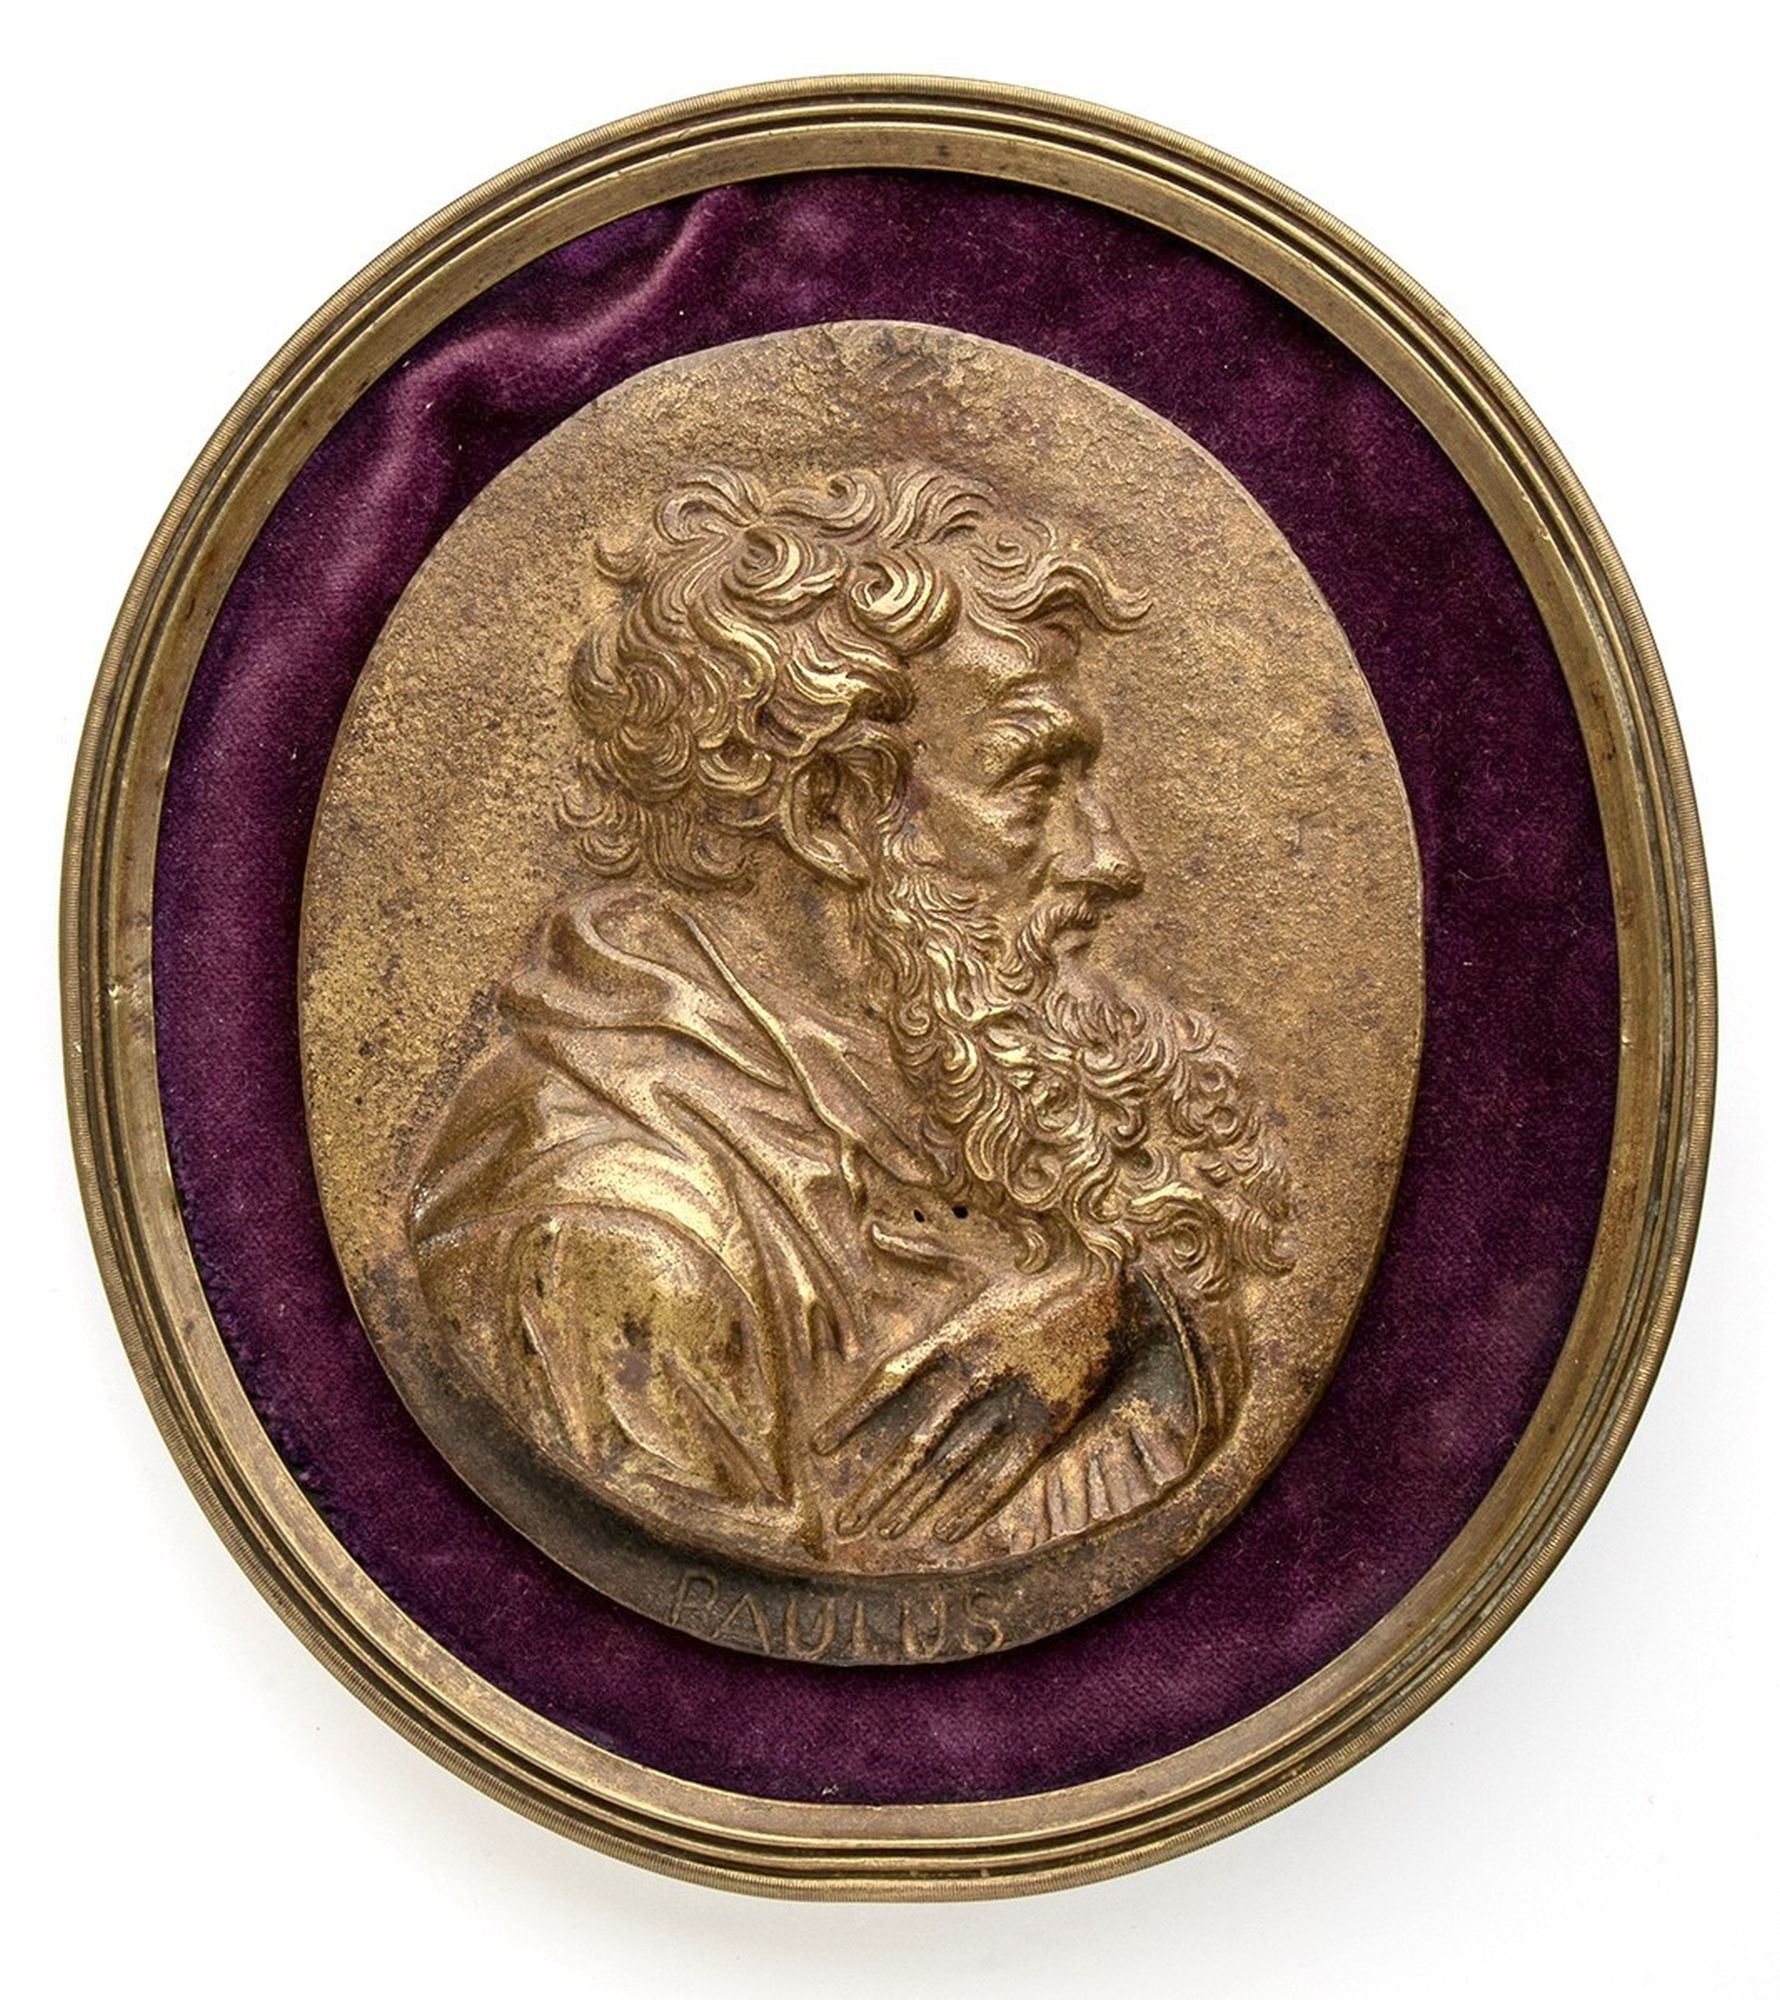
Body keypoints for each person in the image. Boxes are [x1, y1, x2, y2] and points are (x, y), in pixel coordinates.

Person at [409, 463, 1293, 1574]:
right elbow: (748, 1616)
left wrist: (1106, 1318)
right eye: (1032, 785)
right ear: (834, 814)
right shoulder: (619, 1243)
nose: (1111, 859)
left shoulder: (952, 1069)